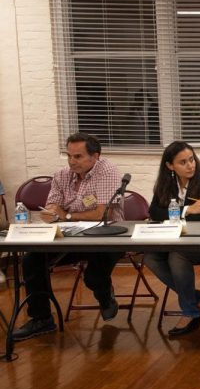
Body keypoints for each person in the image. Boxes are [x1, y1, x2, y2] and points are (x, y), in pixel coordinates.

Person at [12, 132, 124, 342]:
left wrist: (67, 214)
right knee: (32, 260)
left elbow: (103, 214)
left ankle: (105, 294)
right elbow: (52, 209)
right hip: (71, 237)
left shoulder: (107, 170)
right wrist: (52, 213)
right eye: (69, 156)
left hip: (106, 236)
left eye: (78, 157)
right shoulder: (62, 175)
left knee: (93, 277)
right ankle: (42, 319)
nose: (72, 162)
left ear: (95, 156)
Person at [143, 141, 200, 337]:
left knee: (177, 257)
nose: (190, 165)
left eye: (192, 159)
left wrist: (174, 212)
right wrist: (188, 209)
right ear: (170, 166)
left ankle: (190, 312)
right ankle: (196, 299)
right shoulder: (166, 183)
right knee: (150, 258)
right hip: (174, 241)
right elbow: (153, 211)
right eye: (183, 162)